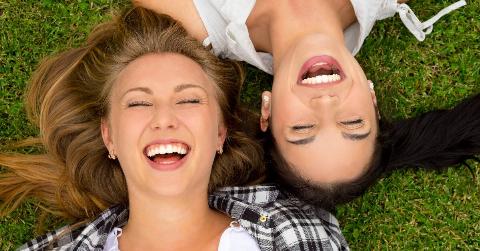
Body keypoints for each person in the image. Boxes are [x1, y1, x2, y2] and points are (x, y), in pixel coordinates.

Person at [0, 7, 349, 250]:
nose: (164, 118)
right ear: (109, 137)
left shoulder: (301, 231)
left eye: (189, 101)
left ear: (219, 133)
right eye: (138, 102)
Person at [132, 0, 479, 210]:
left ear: (267, 112)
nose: (325, 104)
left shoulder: (191, 16)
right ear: (372, 98)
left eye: (303, 128)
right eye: (353, 122)